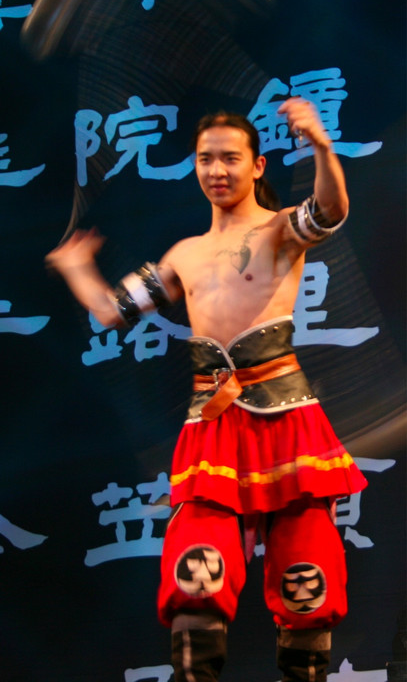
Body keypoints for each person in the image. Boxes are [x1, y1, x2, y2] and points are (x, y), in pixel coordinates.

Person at [46, 97, 367, 682]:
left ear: (258, 165)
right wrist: (74, 267)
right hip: (212, 427)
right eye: (205, 159)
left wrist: (321, 145)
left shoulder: (279, 230)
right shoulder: (185, 254)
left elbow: (330, 209)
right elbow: (111, 310)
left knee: (306, 576)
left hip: (286, 419)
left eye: (230, 158)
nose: (217, 170)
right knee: (197, 577)